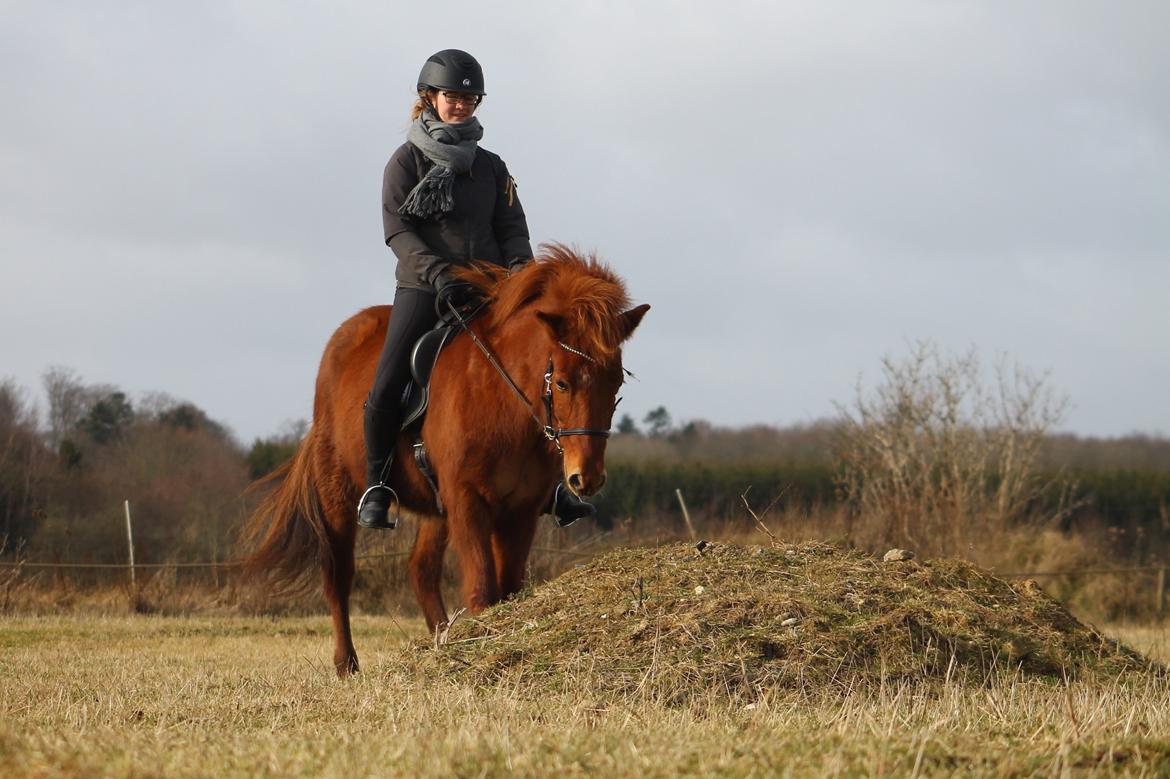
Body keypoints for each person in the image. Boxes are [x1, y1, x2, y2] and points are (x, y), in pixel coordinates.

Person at [358, 49, 594, 530]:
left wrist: (520, 274)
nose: (461, 105)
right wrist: (438, 274)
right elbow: (398, 232)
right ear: (431, 98)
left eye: (470, 98)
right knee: (385, 386)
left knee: (543, 375)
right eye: (452, 96)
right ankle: (377, 485)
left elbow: (512, 226)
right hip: (426, 287)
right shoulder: (404, 162)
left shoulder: (492, 167)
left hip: (492, 289)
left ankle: (550, 485)